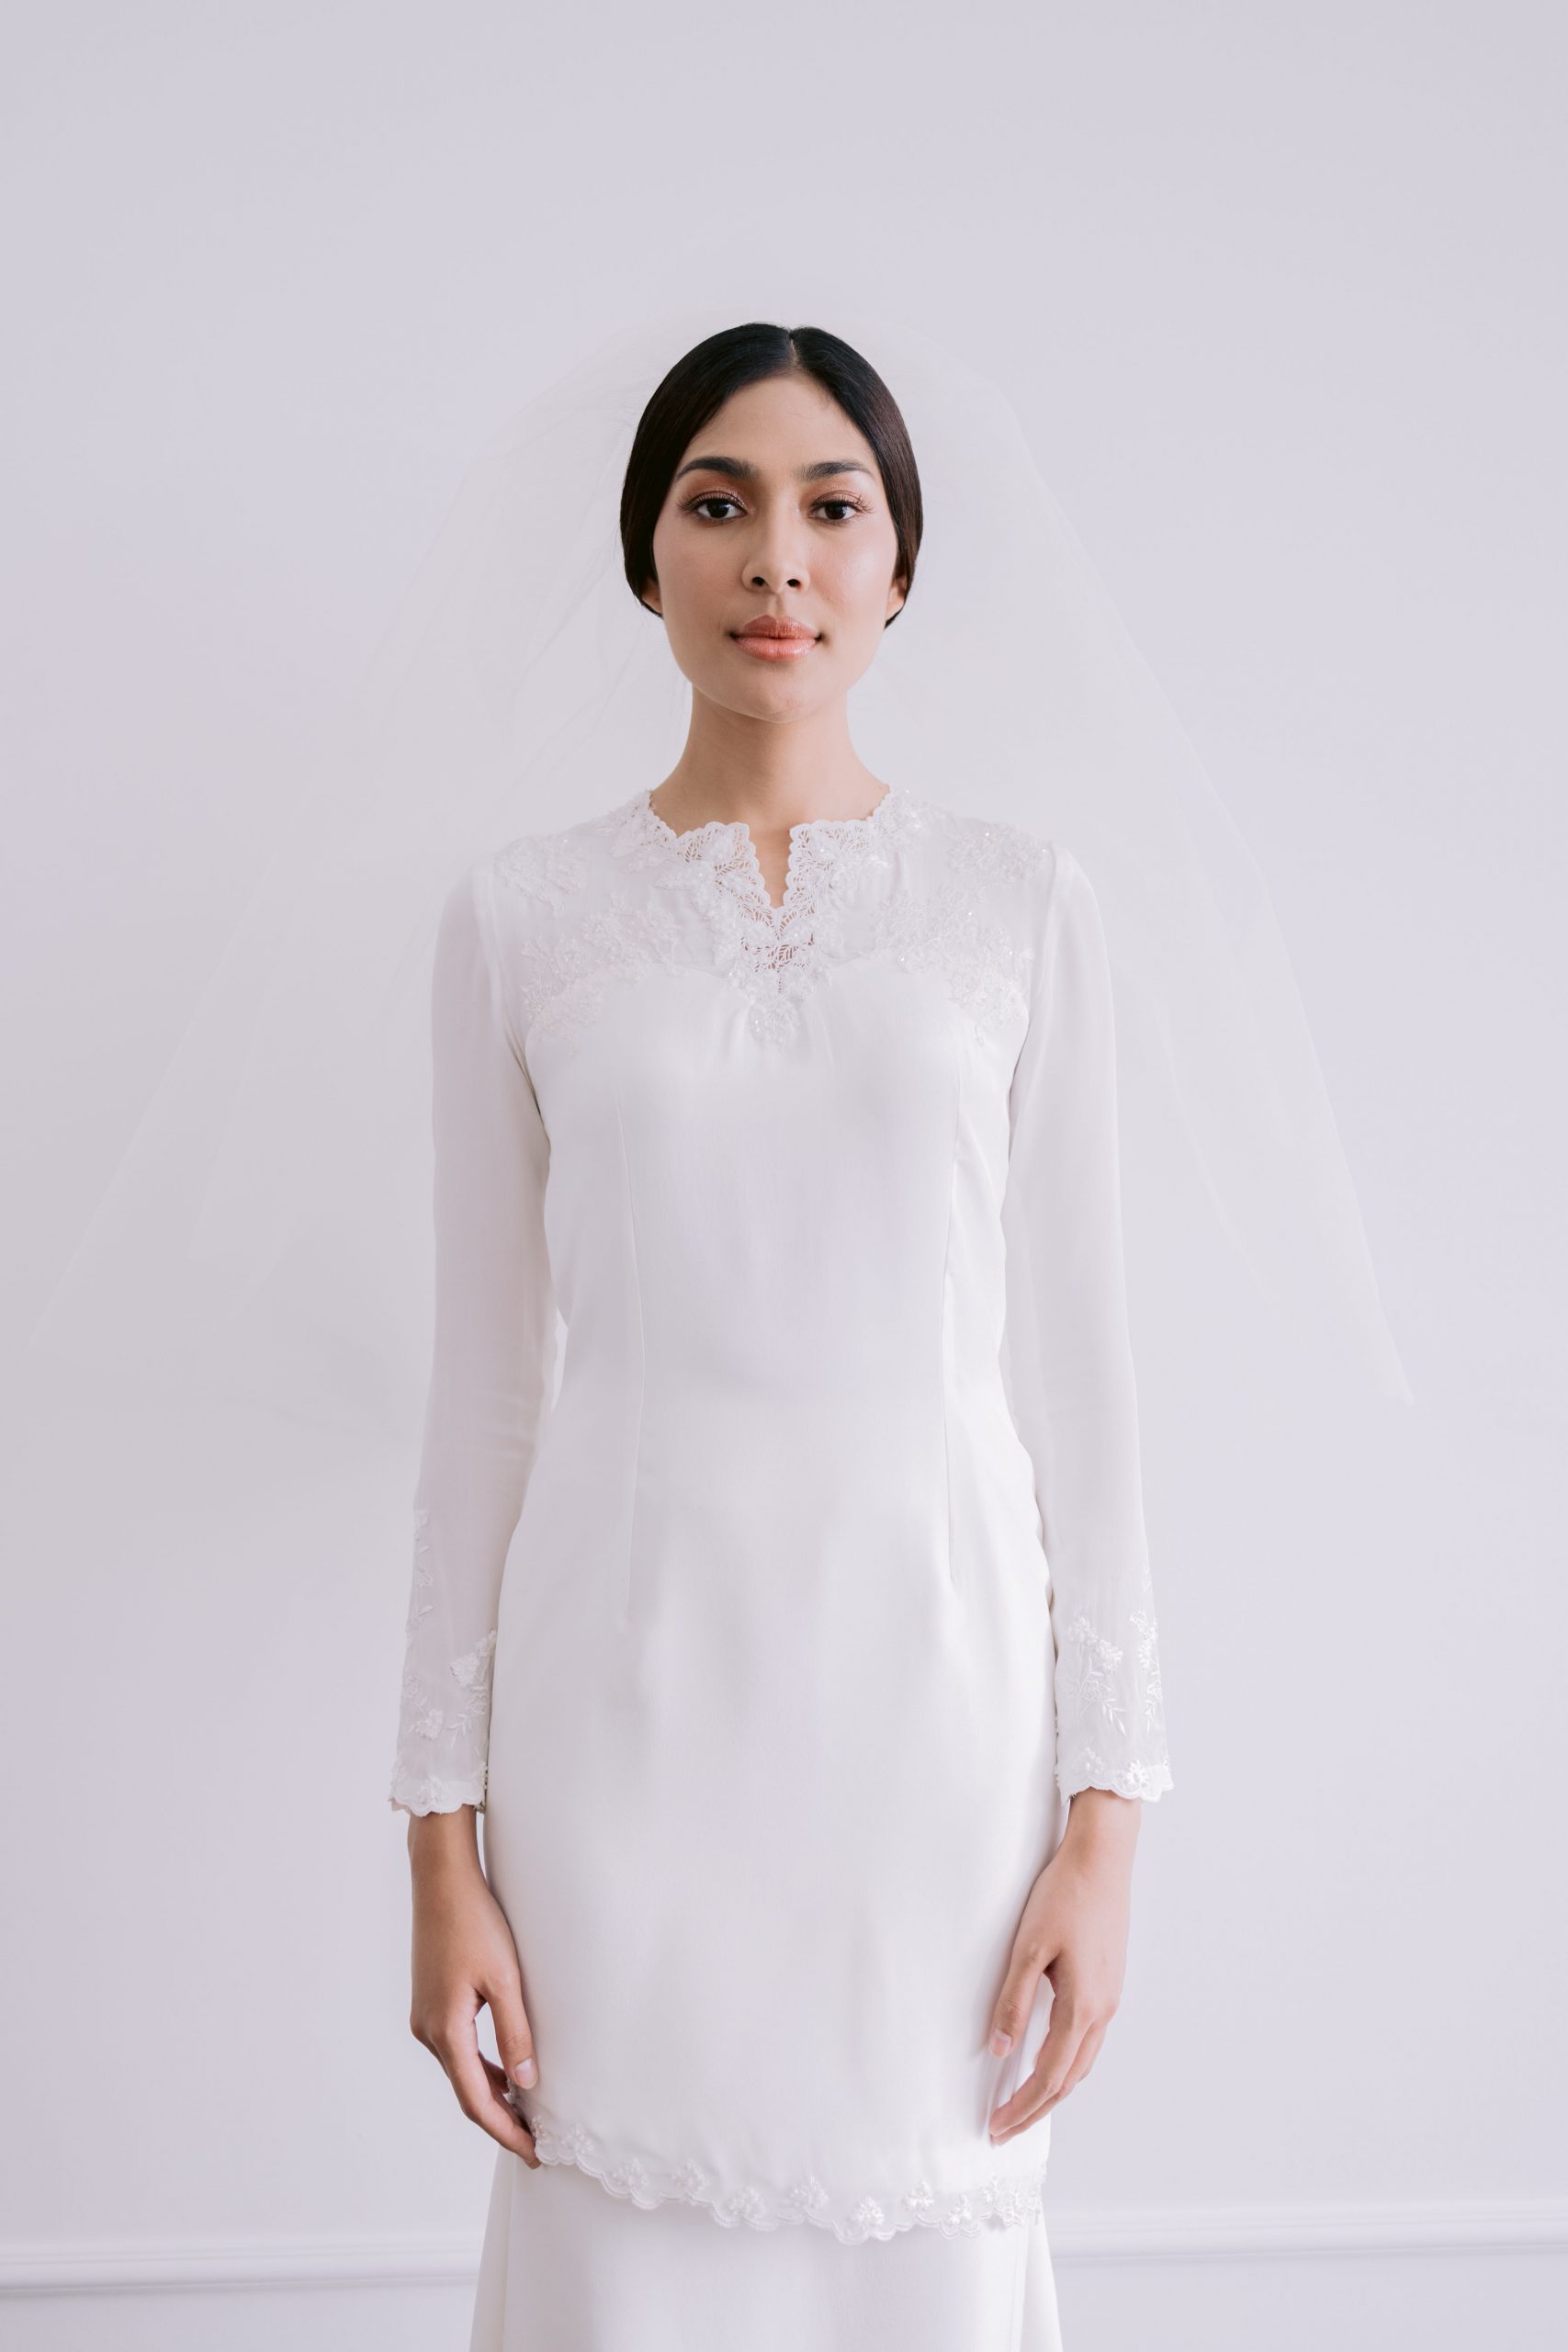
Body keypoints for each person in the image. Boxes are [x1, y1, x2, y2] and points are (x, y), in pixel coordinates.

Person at [389, 321, 1172, 2351]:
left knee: (929, 2242)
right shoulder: (519, 917)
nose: (776, 560)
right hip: (622, 1708)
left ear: (900, 566)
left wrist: (1105, 1829)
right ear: (644, 552)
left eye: (833, 508)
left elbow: (1083, 1390)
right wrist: (442, 1855)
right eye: (718, 503)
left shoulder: (1021, 907)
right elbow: (483, 1407)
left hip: (939, 1717)